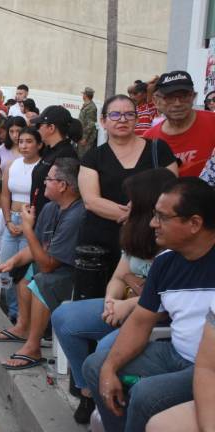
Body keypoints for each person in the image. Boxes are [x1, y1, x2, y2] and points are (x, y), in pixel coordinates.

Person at [83, 177, 215, 432]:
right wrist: (109, 368)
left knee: (146, 395)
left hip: (206, 368)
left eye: (162, 217)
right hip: (174, 353)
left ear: (195, 224)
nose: (153, 223)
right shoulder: (165, 262)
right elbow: (140, 322)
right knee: (96, 367)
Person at [51, 168, 176, 425]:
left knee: (106, 349)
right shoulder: (135, 232)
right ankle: (89, 391)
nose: (126, 205)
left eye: (132, 201)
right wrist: (111, 302)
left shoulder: (174, 242)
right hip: (128, 305)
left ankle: (112, 405)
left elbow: (167, 299)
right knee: (64, 317)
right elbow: (119, 277)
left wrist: (127, 304)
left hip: (155, 319)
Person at [0, 158, 86, 370]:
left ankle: (33, 347)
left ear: (63, 185)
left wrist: (27, 229)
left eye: (49, 179)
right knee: (24, 271)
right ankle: (23, 327)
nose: (44, 183)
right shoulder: (51, 208)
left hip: (74, 273)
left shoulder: (77, 214)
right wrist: (11, 262)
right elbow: (35, 249)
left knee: (42, 280)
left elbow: (49, 264)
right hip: (54, 266)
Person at [79, 94, 178, 277]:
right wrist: (137, 214)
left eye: (129, 114)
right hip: (102, 243)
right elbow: (91, 201)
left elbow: (173, 192)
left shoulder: (158, 149)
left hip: (150, 242)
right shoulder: (93, 157)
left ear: (137, 119)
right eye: (115, 114)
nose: (122, 119)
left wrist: (140, 216)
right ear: (103, 121)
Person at [145, 296, 215, 432]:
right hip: (176, 352)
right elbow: (207, 368)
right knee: (159, 425)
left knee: (146, 394)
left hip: (188, 360)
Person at [0, 127, 43, 322]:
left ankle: (24, 317)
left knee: (24, 272)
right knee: (6, 269)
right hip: (11, 221)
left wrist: (28, 224)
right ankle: (13, 312)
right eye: (21, 142)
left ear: (39, 145)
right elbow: (5, 195)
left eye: (29, 141)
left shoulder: (43, 166)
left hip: (31, 223)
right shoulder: (12, 165)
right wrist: (8, 220)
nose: (24, 145)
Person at [143, 70, 215, 177]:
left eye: (184, 96)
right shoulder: (149, 139)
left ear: (193, 97)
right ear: (156, 101)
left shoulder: (212, 122)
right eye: (169, 97)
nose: (177, 103)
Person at [29, 105, 80, 216]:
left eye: (39, 125)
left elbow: (64, 194)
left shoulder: (66, 154)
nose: (37, 129)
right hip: (38, 215)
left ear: (51, 128)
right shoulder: (49, 150)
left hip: (51, 218)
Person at [78, 86, 98, 158]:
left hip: (87, 139)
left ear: (85, 95)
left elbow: (91, 124)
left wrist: (85, 138)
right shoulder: (86, 105)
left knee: (84, 158)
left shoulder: (91, 107)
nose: (82, 95)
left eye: (83, 94)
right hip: (82, 135)